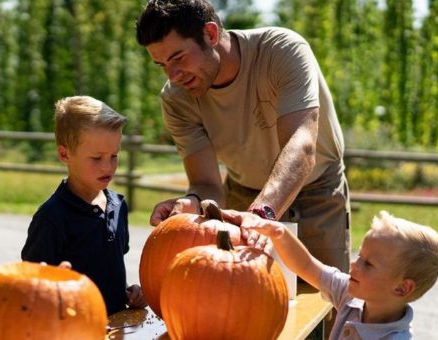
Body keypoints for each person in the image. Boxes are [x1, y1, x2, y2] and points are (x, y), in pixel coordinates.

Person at [135, 0, 351, 272]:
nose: (173, 75)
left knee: (327, 303)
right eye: (162, 65)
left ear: (210, 34)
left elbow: (303, 145)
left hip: (317, 195)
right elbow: (207, 185)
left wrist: (261, 215)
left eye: (178, 58)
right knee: (245, 303)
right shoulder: (176, 100)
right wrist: (191, 203)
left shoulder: (281, 51)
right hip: (242, 199)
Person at [229, 209, 438, 339]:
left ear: (401, 287)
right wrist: (279, 233)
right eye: (359, 256)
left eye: (368, 263)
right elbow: (306, 266)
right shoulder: (350, 296)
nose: (354, 264)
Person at [21, 96, 147, 316]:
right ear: (64, 154)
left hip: (115, 328)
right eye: (97, 158)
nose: (108, 166)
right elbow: (32, 286)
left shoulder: (118, 206)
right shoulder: (52, 218)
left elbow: (108, 271)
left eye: (114, 156)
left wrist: (130, 292)